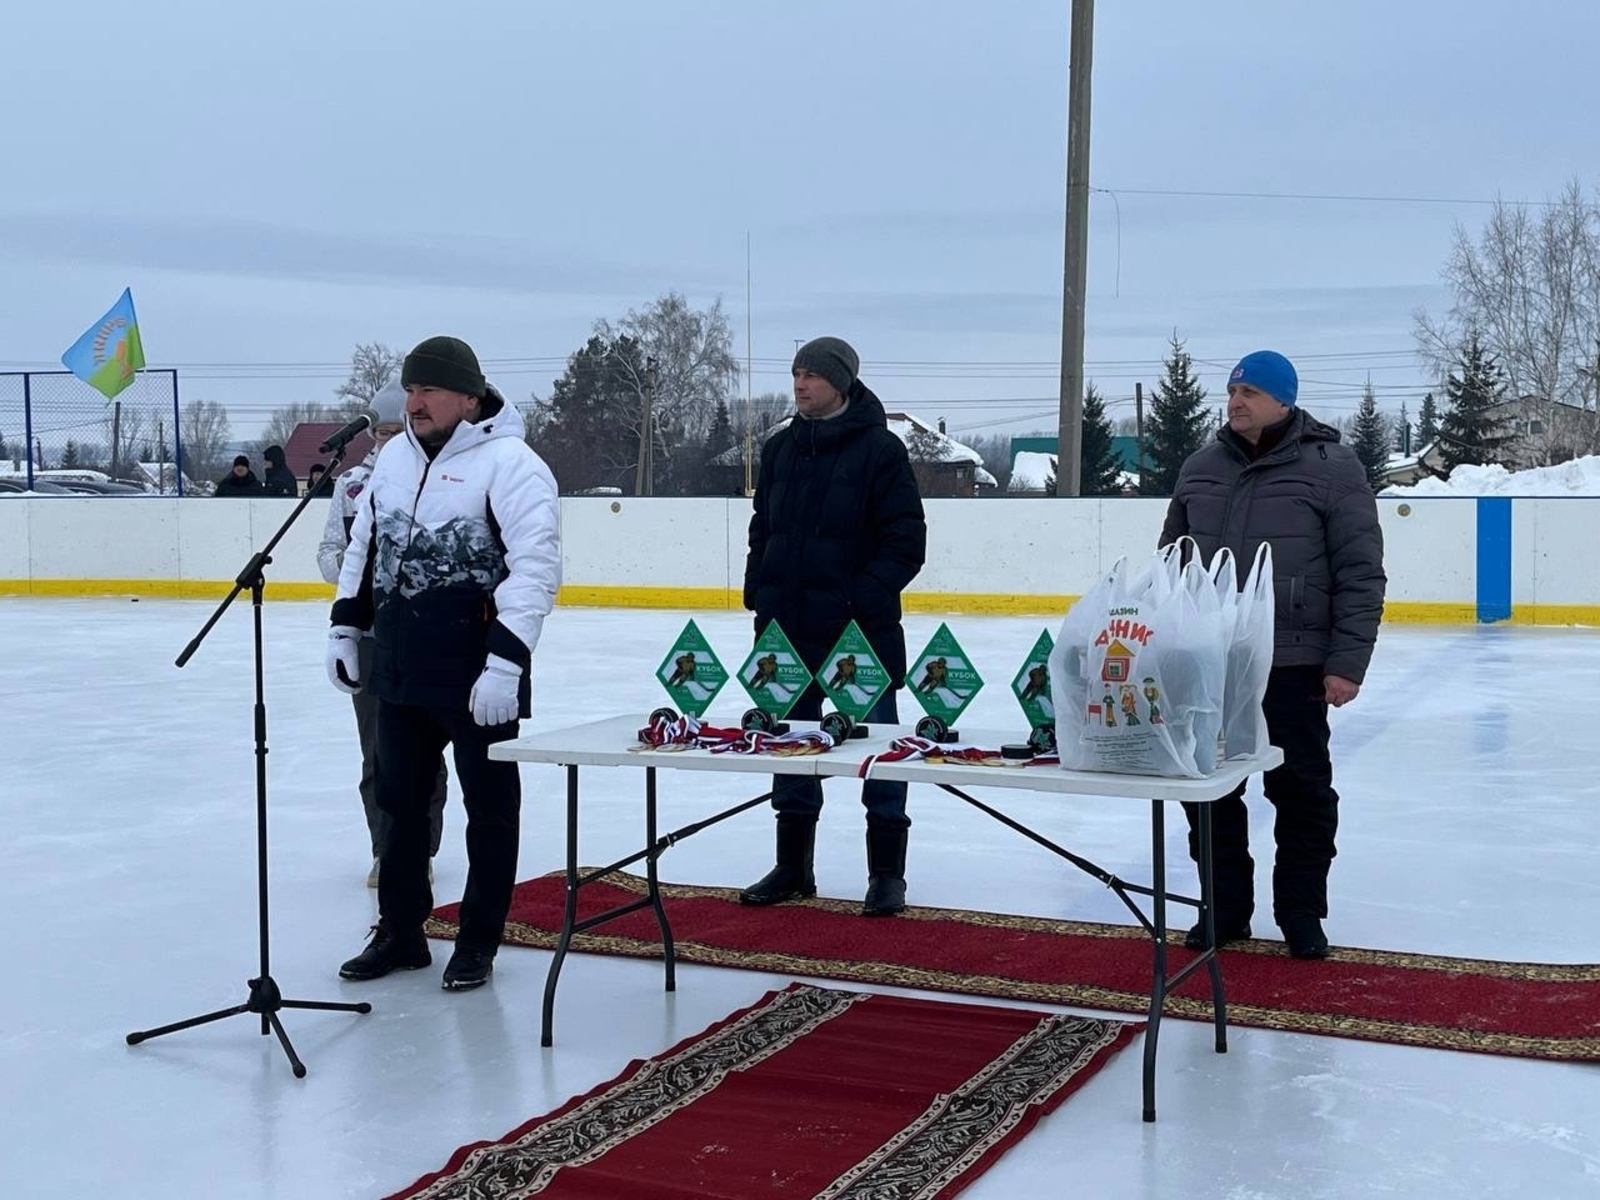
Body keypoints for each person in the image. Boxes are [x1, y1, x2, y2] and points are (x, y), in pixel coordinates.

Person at [327, 336, 561, 990]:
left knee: (488, 810)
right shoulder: (395, 457)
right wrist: (346, 626)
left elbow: (535, 570)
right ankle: (400, 931)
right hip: (399, 661)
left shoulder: (511, 463)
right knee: (399, 802)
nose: (415, 401)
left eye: (428, 389)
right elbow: (364, 547)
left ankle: (478, 941)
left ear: (468, 396)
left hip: (477, 668)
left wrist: (508, 664)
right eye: (409, 389)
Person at [1159, 350, 1386, 960]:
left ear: (1284, 400)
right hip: (1210, 662)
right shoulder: (1200, 466)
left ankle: (1302, 915)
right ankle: (1225, 910)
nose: (1236, 402)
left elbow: (1361, 573)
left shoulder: (1333, 468)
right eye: (1232, 391)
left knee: (1303, 792)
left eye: (1251, 393)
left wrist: (1346, 663)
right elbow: (1171, 568)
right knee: (1207, 792)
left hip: (1294, 661)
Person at [739, 336, 927, 917]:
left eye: (812, 376)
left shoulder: (881, 452)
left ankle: (886, 876)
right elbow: (761, 528)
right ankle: (793, 867)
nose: (799, 385)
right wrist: (758, 589)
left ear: (840, 383)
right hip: (786, 634)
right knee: (790, 753)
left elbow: (906, 543)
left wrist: (858, 600)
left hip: (857, 641)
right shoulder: (780, 451)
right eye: (795, 373)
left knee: (877, 755)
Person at [316, 378, 448, 888]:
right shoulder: (349, 485)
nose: (388, 441)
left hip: (423, 635)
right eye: (381, 431)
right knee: (376, 752)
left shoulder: (435, 479)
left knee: (426, 753)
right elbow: (328, 555)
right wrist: (360, 570)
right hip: (371, 639)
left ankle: (423, 847)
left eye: (399, 430)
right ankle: (384, 848)